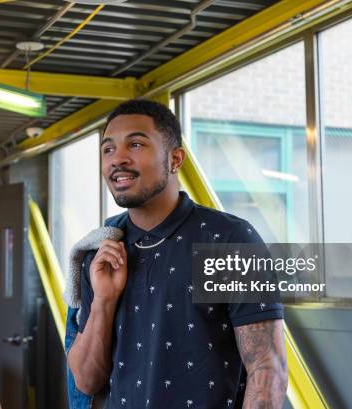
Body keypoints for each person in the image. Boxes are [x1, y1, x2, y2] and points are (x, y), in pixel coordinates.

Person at [66, 99, 287, 408]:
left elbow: (267, 368)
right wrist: (104, 300)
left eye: (136, 144)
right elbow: (87, 381)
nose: (118, 159)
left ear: (175, 159)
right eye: (108, 149)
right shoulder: (101, 252)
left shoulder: (226, 240)